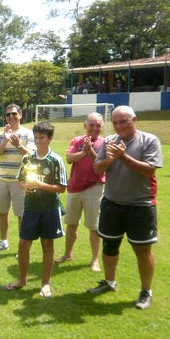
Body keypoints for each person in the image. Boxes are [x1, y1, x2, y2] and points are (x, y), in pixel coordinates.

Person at [87, 106, 162, 310]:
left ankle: (146, 291)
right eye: (115, 122)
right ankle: (109, 282)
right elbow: (97, 168)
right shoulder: (110, 141)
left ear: (134, 120)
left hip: (140, 204)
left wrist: (123, 157)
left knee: (142, 249)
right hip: (112, 203)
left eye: (124, 121)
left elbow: (149, 171)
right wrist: (110, 158)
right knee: (109, 245)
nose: (119, 126)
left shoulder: (149, 140)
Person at [4, 122, 67, 298]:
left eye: (42, 138)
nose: (38, 141)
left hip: (49, 208)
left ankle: (45, 284)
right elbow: (21, 180)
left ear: (50, 139)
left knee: (47, 245)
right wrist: (26, 187)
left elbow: (62, 188)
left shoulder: (55, 160)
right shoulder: (28, 158)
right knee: (23, 244)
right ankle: (21, 280)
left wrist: (41, 185)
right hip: (30, 207)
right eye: (36, 138)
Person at [56, 113, 105, 271]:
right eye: (91, 125)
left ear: (102, 126)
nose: (94, 128)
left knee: (94, 226)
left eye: (98, 125)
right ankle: (67, 254)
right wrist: (84, 152)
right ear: (85, 125)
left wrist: (90, 151)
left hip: (94, 188)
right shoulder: (77, 141)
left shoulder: (105, 143)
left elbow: (102, 164)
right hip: (75, 187)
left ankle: (95, 260)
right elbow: (69, 158)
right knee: (71, 224)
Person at [0, 104, 35, 252]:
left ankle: (22, 247)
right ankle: (3, 241)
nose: (11, 117)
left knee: (22, 215)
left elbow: (31, 156)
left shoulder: (28, 134)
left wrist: (17, 144)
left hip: (20, 181)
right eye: (8, 114)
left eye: (14, 114)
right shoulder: (0, 134)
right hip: (3, 179)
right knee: (2, 212)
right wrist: (5, 139)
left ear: (20, 115)